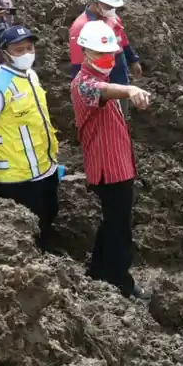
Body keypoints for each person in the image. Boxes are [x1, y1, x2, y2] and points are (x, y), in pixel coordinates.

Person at [71, 20, 152, 299]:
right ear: (85, 52)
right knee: (120, 229)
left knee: (112, 223)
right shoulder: (84, 84)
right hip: (108, 168)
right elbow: (102, 92)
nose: (108, 59)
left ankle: (98, 271)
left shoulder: (101, 80)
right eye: (102, 54)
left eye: (111, 55)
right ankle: (121, 282)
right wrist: (130, 90)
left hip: (118, 164)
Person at [0, 25, 60, 252]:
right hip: (17, 177)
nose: (26, 53)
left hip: (44, 168)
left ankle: (49, 256)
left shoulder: (31, 75)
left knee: (48, 217)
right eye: (19, 49)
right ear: (5, 53)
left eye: (29, 48)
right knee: (28, 231)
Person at [68, 0, 142, 88]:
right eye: (108, 6)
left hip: (119, 74)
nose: (112, 10)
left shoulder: (113, 18)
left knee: (121, 102)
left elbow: (123, 41)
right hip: (97, 82)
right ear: (95, 2)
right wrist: (80, 89)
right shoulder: (80, 27)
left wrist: (133, 60)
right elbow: (78, 63)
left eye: (114, 7)